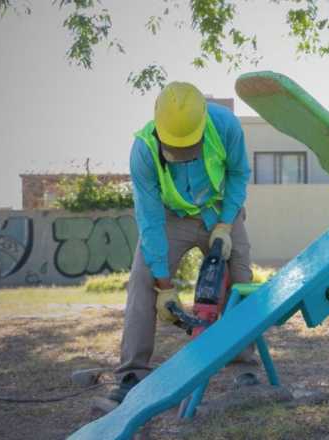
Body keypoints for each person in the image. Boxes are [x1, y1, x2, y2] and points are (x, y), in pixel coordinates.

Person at [107, 81, 253, 405]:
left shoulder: (226, 125)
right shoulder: (143, 150)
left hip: (219, 210)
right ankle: (132, 374)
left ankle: (245, 369)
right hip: (172, 216)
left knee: (241, 279)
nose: (184, 158)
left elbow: (239, 174)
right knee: (142, 279)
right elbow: (150, 220)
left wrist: (226, 225)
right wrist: (165, 286)